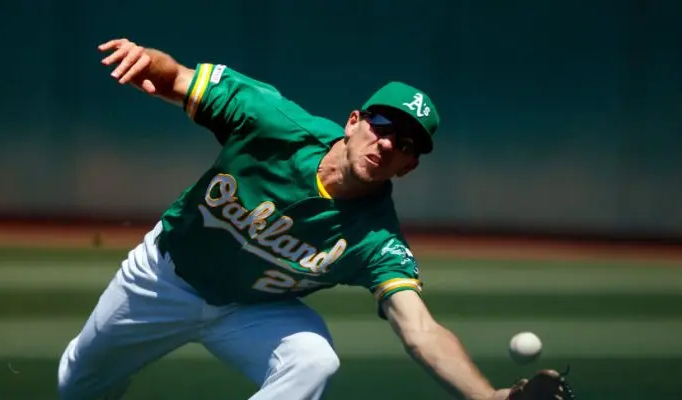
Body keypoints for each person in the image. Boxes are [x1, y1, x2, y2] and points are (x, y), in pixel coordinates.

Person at [57, 38, 549, 400]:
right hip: (164, 278)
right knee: (80, 382)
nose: (387, 144)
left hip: (252, 310)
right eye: (383, 127)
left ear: (410, 165)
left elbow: (420, 330)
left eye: (405, 145)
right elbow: (177, 77)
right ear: (354, 121)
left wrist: (486, 398)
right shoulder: (274, 122)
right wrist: (151, 62)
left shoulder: (376, 239)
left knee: (313, 361)